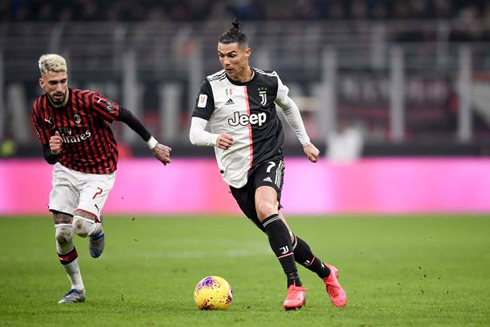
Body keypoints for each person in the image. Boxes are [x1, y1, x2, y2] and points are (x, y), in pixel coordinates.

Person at [189, 20, 346, 310]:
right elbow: (194, 133)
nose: (226, 61)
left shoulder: (268, 82)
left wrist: (306, 142)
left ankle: (294, 285)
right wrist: (213, 139)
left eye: (232, 55)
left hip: (268, 158)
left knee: (266, 208)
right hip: (235, 174)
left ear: (247, 53)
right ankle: (327, 273)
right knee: (282, 234)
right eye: (221, 55)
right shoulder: (211, 86)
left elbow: (289, 106)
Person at [31, 54, 172, 304]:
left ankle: (97, 229)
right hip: (66, 170)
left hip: (99, 171)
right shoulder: (39, 109)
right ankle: (77, 289)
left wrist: (154, 145)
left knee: (81, 227)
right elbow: (48, 157)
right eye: (53, 83)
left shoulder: (87, 100)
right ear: (42, 83)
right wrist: (52, 151)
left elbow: (125, 114)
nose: (60, 88)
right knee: (62, 234)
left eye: (63, 81)